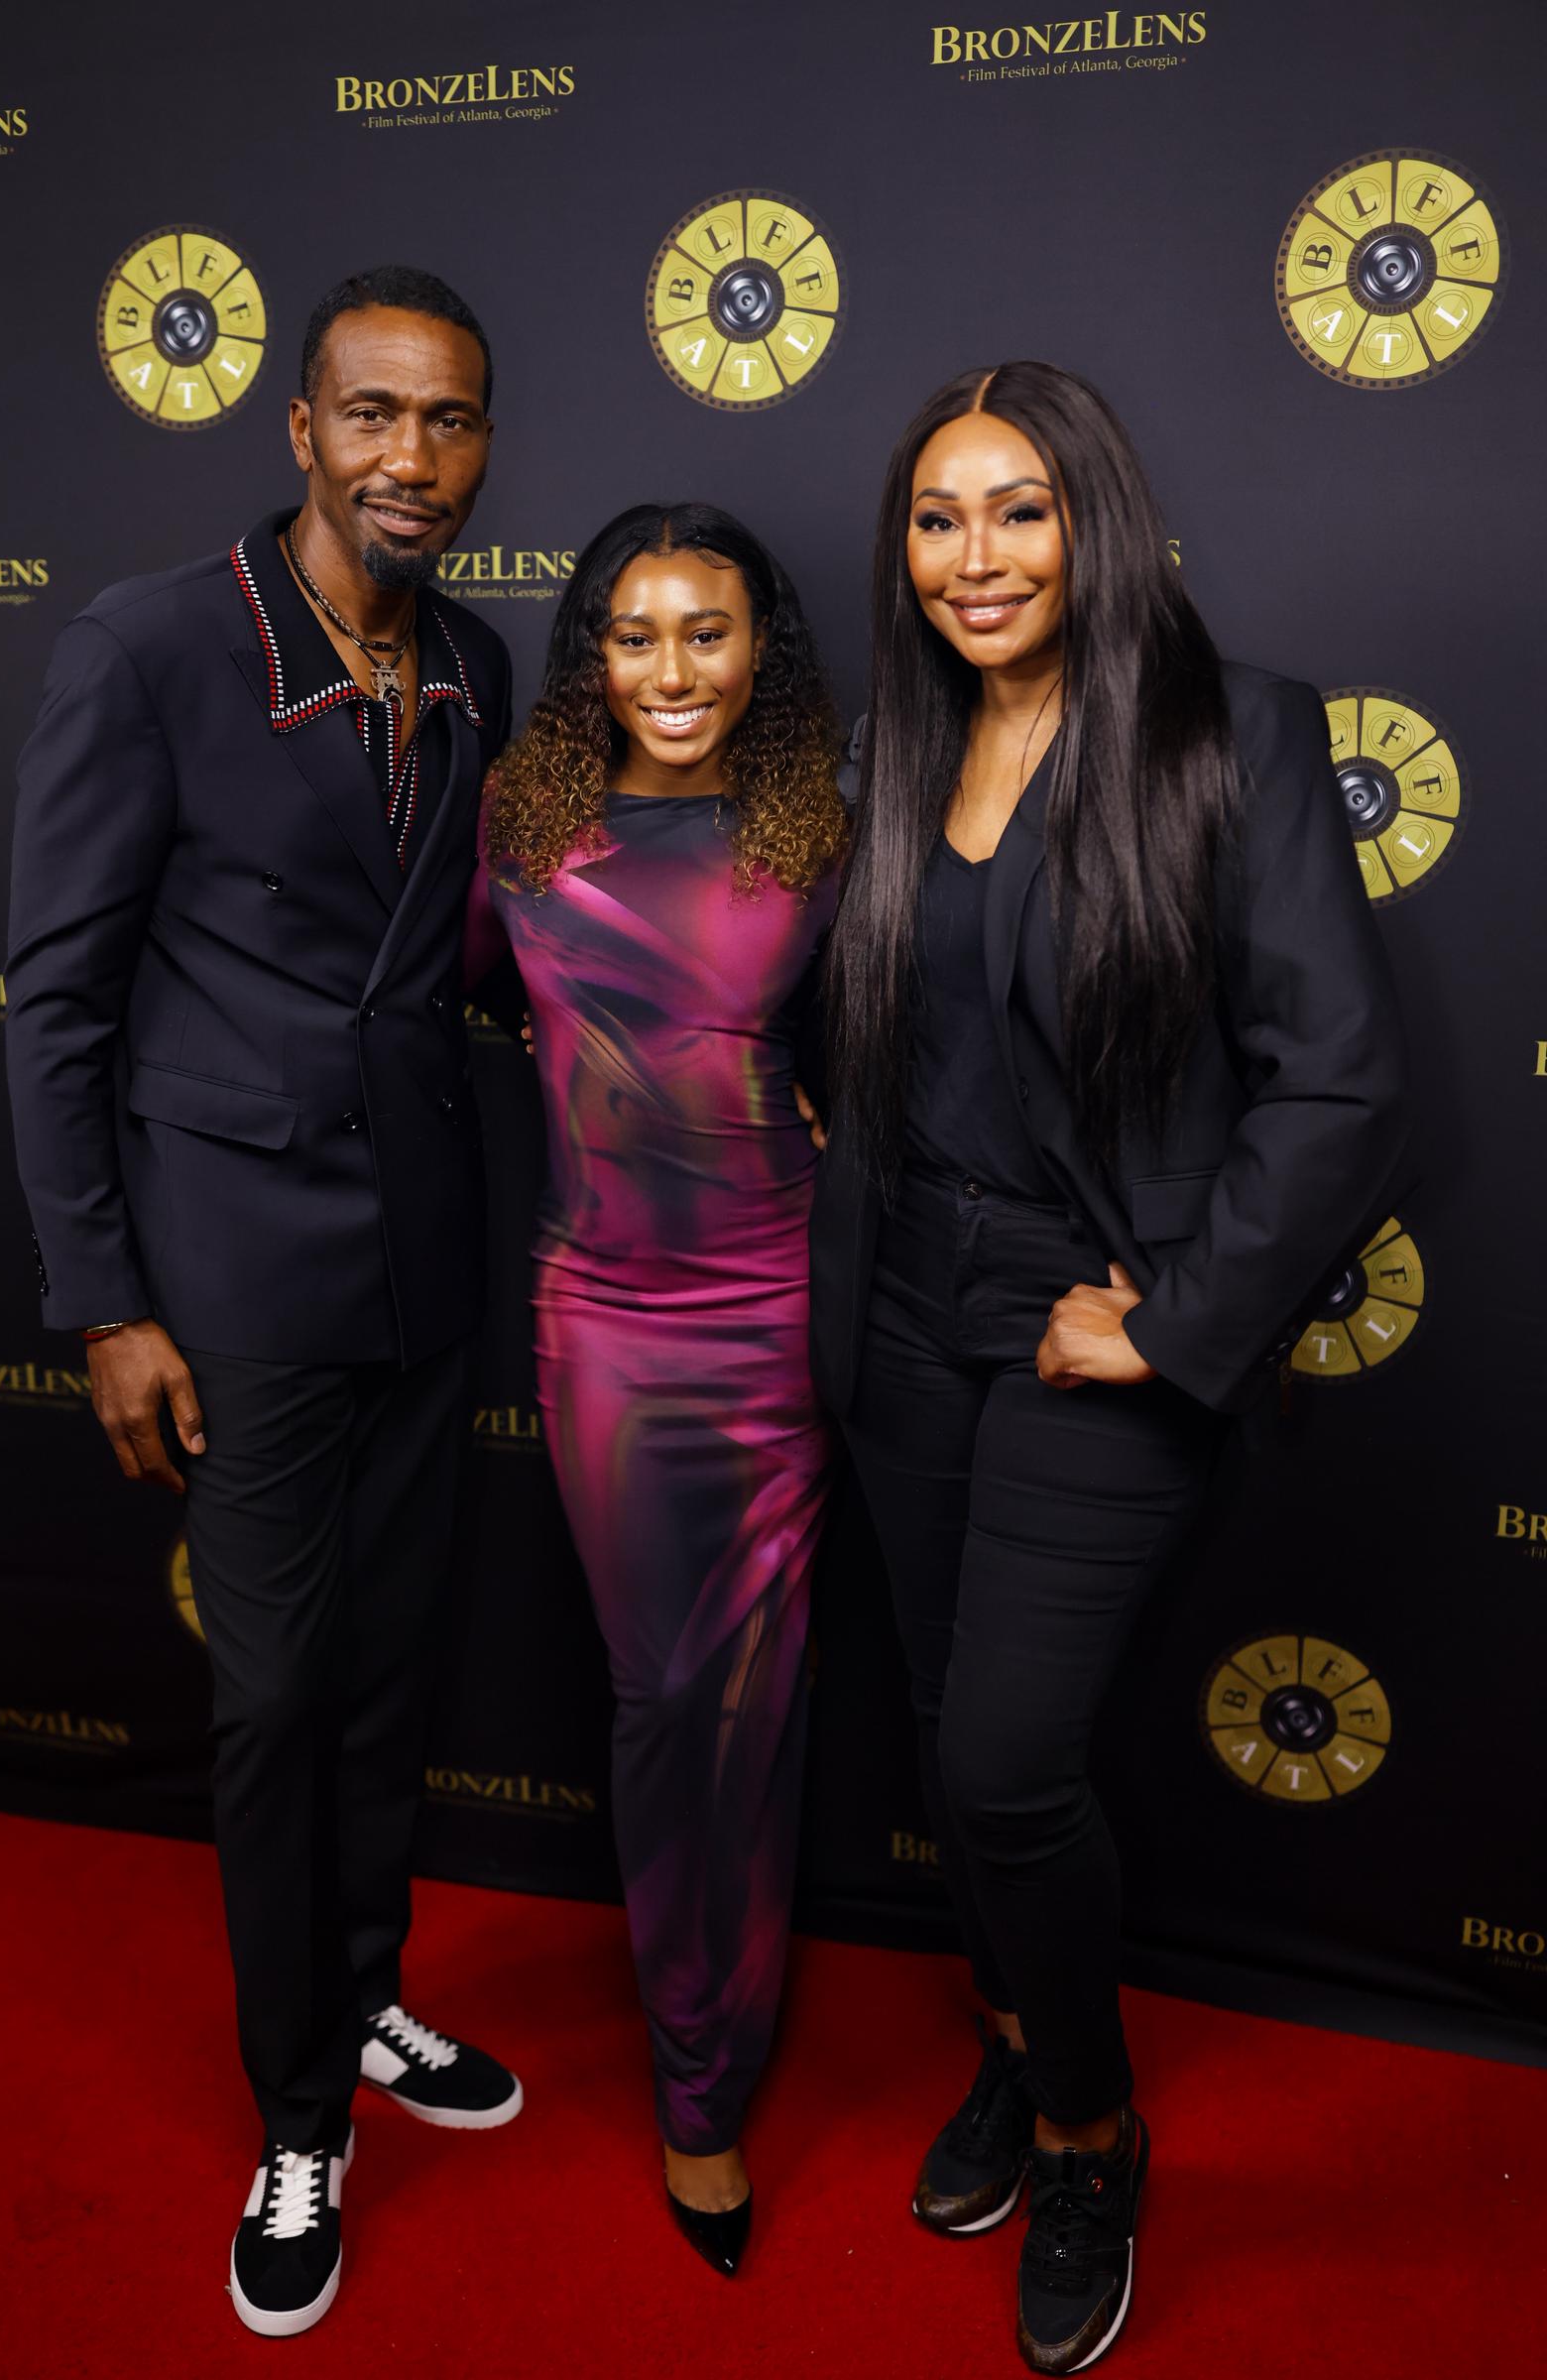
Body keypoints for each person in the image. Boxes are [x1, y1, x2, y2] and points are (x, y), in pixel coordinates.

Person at [812, 362, 1407, 2372]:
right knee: (928, 1725)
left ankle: (1085, 2128)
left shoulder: (1223, 739)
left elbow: (1334, 1089)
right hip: (898, 1305)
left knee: (1000, 1760)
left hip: (1089, 1331)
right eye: (932, 518)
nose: (970, 558)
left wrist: (1166, 1315)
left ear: (1091, 518)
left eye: (1013, 511)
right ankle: (1010, 2039)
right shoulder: (900, 748)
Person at [6, 266, 525, 2339]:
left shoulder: (480, 658)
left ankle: (369, 1988)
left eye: (452, 420)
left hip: (425, 1260)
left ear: (486, 447)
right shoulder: (147, 646)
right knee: (281, 1694)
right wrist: (103, 1301)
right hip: (230, 1290)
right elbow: (59, 1000)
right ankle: (297, 2109)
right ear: (297, 429)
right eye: (373, 415)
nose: (414, 456)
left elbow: (471, 963)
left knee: (393, 1676)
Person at [466, 503, 846, 2276]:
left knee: (755, 1710)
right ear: (590, 653)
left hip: (777, 1319)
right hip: (604, 1323)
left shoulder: (822, 822)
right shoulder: (526, 819)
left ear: (760, 640)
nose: (673, 670)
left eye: (707, 630)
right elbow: (449, 1011)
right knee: (654, 1698)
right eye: (635, 634)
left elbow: (889, 1047)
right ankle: (690, 2081)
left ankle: (722, 2074)